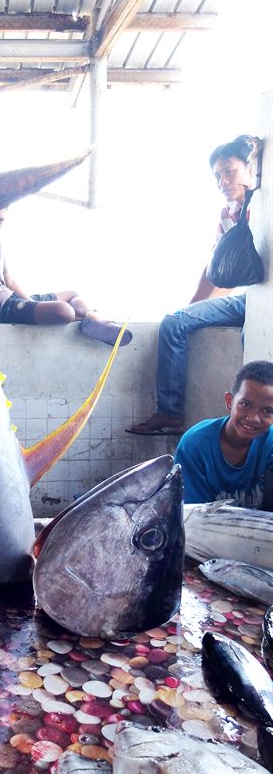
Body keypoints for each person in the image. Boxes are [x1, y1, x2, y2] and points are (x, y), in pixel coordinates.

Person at [129, 135, 258, 435]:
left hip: (263, 307)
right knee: (174, 322)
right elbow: (217, 269)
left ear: (250, 170)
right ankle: (170, 414)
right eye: (217, 176)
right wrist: (191, 308)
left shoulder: (265, 206)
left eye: (229, 171)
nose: (223, 181)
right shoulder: (227, 215)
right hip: (246, 300)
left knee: (252, 345)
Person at [0, 207, 132, 346]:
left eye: (0, 220)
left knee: (72, 294)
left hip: (10, 297)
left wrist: (30, 302)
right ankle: (87, 321)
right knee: (65, 311)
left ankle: (93, 319)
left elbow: (9, 280)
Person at [174, 361, 273, 509]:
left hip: (259, 529)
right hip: (204, 528)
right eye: (245, 405)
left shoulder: (269, 441)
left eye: (267, 411)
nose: (253, 418)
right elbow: (192, 516)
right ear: (229, 401)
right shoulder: (194, 445)